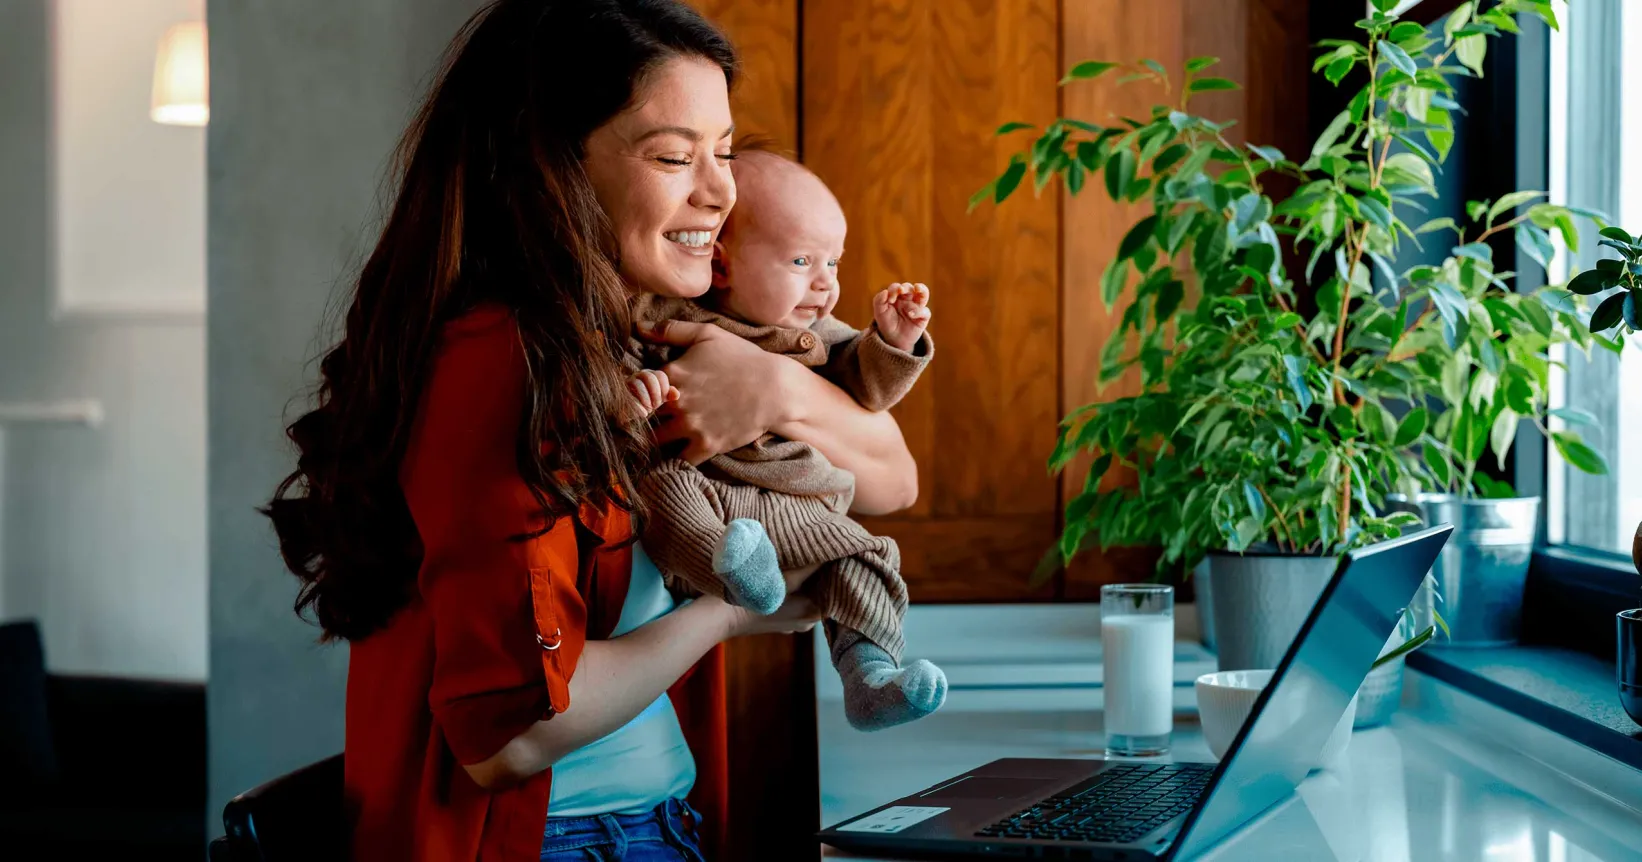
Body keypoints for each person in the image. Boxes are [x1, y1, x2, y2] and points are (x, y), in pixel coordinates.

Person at [261, 1, 918, 859]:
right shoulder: (497, 362)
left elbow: (894, 479)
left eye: (723, 151)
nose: (722, 191)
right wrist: (726, 617)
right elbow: (507, 742)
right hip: (558, 841)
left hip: (657, 821)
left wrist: (776, 389)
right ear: (548, 168)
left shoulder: (657, 331)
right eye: (676, 156)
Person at [626, 147, 947, 732]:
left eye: (835, 263)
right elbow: (628, 368)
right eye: (802, 261)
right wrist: (640, 390)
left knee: (867, 556)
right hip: (717, 514)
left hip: (801, 512)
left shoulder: (816, 333)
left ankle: (869, 674)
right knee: (661, 484)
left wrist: (893, 343)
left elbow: (867, 390)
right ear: (721, 266)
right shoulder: (663, 311)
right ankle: (733, 570)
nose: (826, 285)